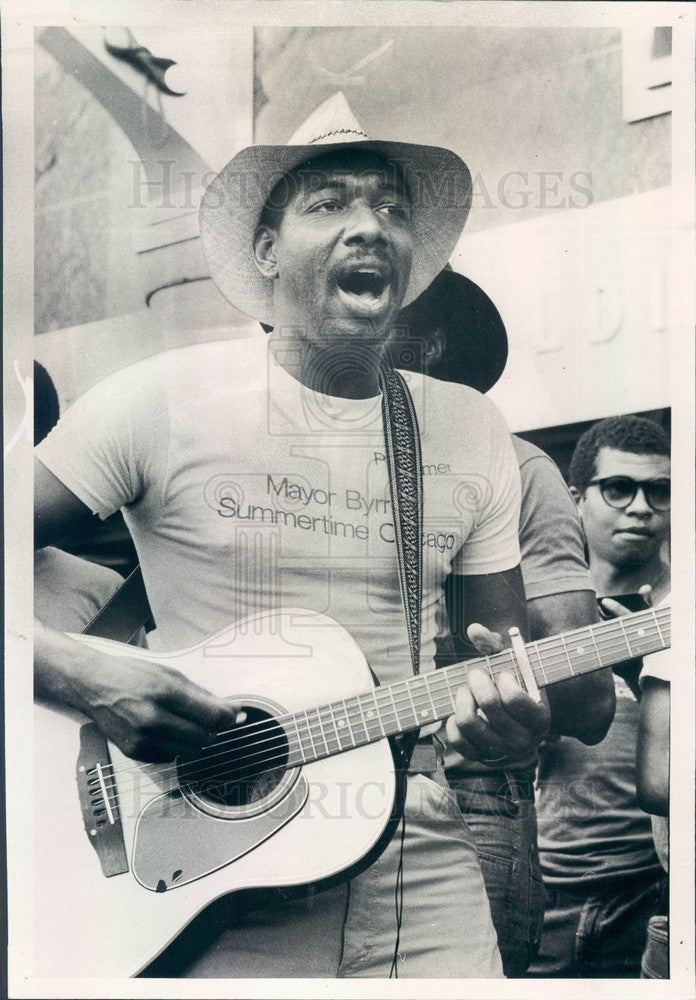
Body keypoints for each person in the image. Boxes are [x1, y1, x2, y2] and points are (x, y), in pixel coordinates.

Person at [33, 93, 552, 978]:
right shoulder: (155, 398)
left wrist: (512, 728)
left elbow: (497, 662)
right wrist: (74, 671)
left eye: (392, 209)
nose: (371, 227)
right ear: (266, 253)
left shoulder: (468, 427)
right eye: (330, 204)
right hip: (202, 858)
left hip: (418, 858)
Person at [393, 269, 615, 975]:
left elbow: (586, 697)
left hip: (468, 801)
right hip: (300, 804)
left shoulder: (519, 470)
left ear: (427, 347)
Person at [531, 414, 670, 977]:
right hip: (546, 890)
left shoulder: (680, 605)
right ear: (574, 499)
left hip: (648, 893)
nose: (642, 506)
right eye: (619, 488)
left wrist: (651, 675)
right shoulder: (538, 610)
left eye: (660, 490)